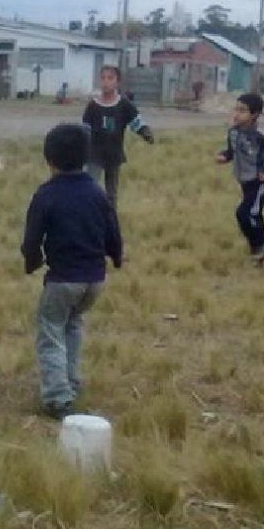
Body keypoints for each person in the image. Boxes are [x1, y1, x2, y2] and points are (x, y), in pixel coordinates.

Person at [21, 123, 122, 420]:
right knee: (73, 325)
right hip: (94, 280)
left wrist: (32, 261)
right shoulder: (97, 192)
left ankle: (57, 396)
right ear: (86, 156)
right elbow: (112, 229)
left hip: (63, 279)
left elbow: (32, 238)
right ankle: (72, 382)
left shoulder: (46, 195)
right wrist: (116, 256)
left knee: (51, 330)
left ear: (48, 159)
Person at [215, 93, 264, 263]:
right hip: (244, 180)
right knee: (255, 214)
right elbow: (232, 151)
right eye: (236, 109)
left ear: (254, 114)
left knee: (244, 213)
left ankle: (258, 246)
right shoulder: (233, 132)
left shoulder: (260, 135)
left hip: (259, 181)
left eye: (242, 110)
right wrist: (224, 156)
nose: (236, 113)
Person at [81, 65, 155, 209]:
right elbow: (84, 129)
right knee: (90, 188)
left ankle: (110, 220)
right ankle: (88, 216)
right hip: (94, 154)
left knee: (111, 193)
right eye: (103, 78)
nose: (106, 82)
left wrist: (145, 132)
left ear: (117, 82)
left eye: (110, 78)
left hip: (114, 154)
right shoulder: (93, 106)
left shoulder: (124, 104)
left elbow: (136, 122)